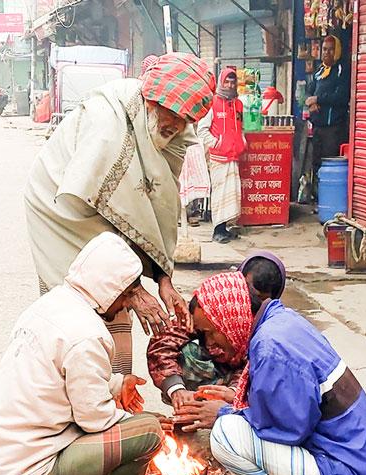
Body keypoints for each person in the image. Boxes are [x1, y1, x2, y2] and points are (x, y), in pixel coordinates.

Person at [23, 52, 216, 379]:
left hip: (103, 208)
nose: (178, 125)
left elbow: (160, 202)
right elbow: (86, 202)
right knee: (88, 300)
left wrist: (163, 276)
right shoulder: (107, 124)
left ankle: (116, 390)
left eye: (186, 119)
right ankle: (81, 390)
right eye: (173, 115)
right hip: (63, 205)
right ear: (152, 101)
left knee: (117, 304)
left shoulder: (175, 131)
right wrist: (131, 287)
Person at [0, 232, 163, 475]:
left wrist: (116, 384)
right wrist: (142, 419)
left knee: (135, 424)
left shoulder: (51, 305)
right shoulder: (87, 335)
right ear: (109, 289)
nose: (126, 305)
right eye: (126, 295)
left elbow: (60, 382)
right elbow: (95, 420)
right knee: (150, 431)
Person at [177, 272, 366, 475]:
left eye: (209, 333)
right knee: (233, 425)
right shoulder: (281, 321)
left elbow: (287, 430)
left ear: (228, 319)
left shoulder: (270, 346)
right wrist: (236, 399)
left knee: (226, 436)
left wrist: (222, 413)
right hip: (361, 467)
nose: (209, 345)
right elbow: (294, 402)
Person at [148, 252, 285, 411]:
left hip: (242, 388)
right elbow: (162, 344)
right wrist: (175, 388)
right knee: (189, 353)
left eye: (261, 299)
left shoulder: (268, 336)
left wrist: (234, 394)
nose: (251, 300)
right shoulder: (212, 306)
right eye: (246, 290)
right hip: (216, 373)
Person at [197, 67, 246, 244]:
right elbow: (202, 129)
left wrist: (242, 142)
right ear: (221, 82)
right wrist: (215, 143)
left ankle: (224, 228)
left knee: (231, 194)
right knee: (220, 194)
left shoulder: (238, 104)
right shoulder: (213, 103)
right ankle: (217, 231)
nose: (230, 85)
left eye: (233, 82)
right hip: (218, 158)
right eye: (227, 81)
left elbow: (241, 127)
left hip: (233, 156)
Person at [305, 35, 351, 193]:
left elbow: (342, 97)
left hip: (333, 129)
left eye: (331, 50)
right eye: (324, 49)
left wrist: (319, 99)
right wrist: (311, 102)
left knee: (329, 165)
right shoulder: (319, 70)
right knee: (316, 164)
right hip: (318, 127)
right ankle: (318, 199)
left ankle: (328, 198)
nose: (327, 53)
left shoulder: (341, 70)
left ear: (337, 51)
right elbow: (309, 91)